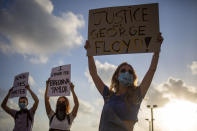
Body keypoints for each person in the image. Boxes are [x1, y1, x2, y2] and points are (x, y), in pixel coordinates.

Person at [84, 33, 164, 131]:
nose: (127, 73)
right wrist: (90, 53)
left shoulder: (137, 95)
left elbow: (152, 70)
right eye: (123, 71)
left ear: (133, 77)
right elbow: (94, 74)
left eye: (130, 72)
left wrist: (156, 50)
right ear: (117, 76)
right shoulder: (108, 95)